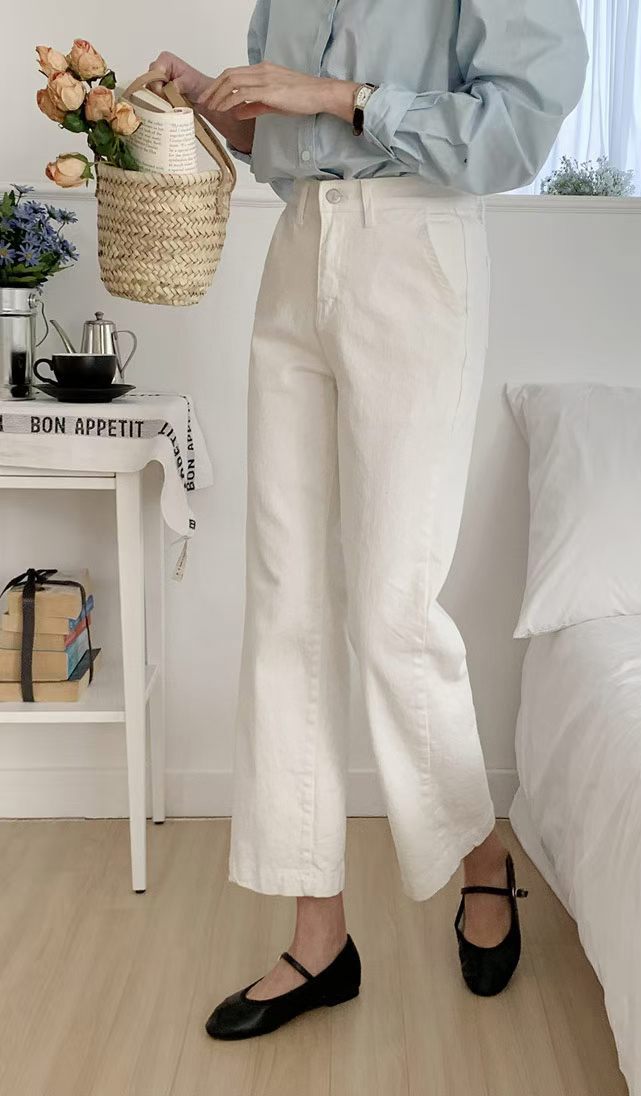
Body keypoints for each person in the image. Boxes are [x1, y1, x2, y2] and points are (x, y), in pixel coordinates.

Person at [150, 0, 588, 1041]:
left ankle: (481, 853)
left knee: (393, 610)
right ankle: (319, 936)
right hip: (299, 247)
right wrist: (217, 105)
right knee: (286, 601)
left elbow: (514, 132)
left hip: (414, 247)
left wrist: (339, 93)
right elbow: (284, 140)